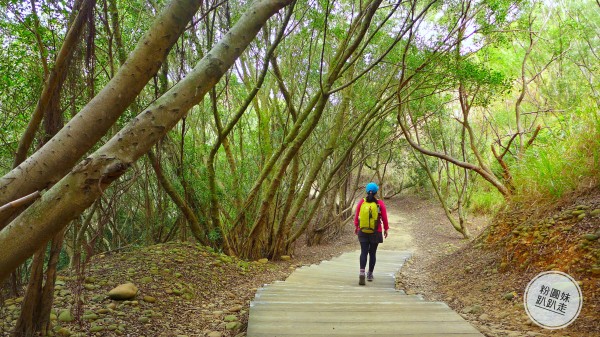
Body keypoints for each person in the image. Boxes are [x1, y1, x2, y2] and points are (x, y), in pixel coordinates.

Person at [354, 182, 388, 285]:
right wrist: (386, 229)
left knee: (363, 252)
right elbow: (385, 217)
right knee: (372, 253)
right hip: (375, 231)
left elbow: (357, 216)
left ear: (366, 191)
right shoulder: (380, 203)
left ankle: (361, 273)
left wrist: (357, 227)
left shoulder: (361, 202)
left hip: (363, 231)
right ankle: (370, 274)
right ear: (376, 192)